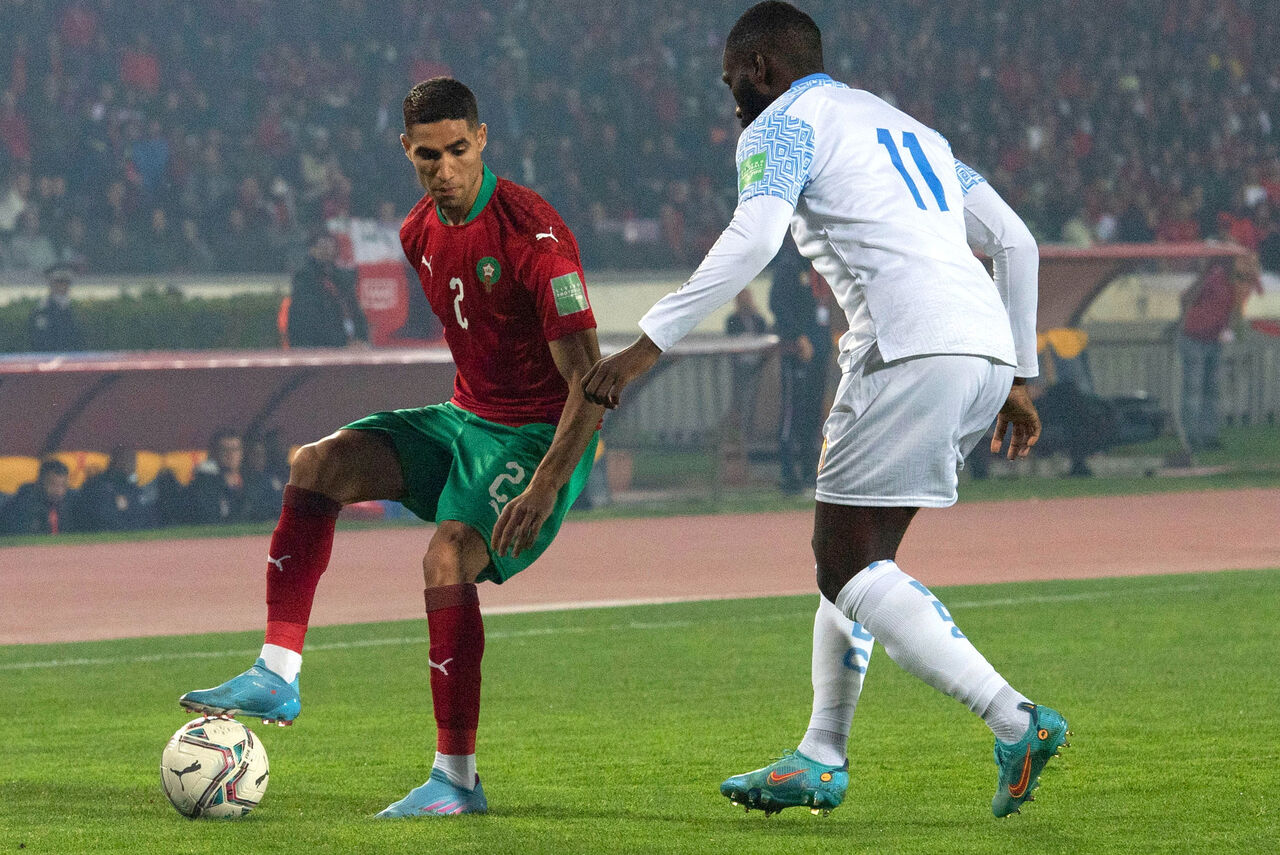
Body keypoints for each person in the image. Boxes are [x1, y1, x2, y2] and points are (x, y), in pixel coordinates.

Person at [583, 2, 1066, 819]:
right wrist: (1019, 374)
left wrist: (647, 343)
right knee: (859, 559)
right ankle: (820, 753)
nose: (734, 100)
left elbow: (753, 238)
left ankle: (1013, 717)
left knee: (844, 565)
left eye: (733, 83)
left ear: (761, 68)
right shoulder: (911, 130)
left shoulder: (783, 124)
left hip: (906, 346)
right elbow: (1015, 239)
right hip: (981, 349)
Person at [180, 78, 604, 819]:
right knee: (316, 464)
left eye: (459, 150)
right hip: (464, 418)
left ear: (482, 140)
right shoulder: (417, 233)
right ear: (406, 150)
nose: (445, 169)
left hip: (539, 432)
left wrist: (544, 484)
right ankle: (277, 671)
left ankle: (456, 779)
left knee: (447, 556)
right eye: (428, 156)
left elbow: (590, 384)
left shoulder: (535, 236)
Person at [770, 233, 831, 493]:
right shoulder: (789, 265)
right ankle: (788, 475)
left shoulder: (817, 264)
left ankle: (809, 471)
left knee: (813, 413)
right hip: (797, 350)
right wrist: (797, 336)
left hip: (819, 347)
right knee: (792, 413)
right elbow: (777, 304)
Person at [1177, 256, 1257, 451]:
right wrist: (1203, 276)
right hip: (1194, 337)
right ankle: (1192, 436)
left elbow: (1234, 312)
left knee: (1210, 390)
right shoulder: (1213, 279)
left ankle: (1208, 436)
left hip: (1213, 339)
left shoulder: (1234, 284)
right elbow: (1185, 298)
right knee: (1194, 389)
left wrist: (1228, 331)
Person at [286, 230, 370, 348]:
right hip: (318, 347)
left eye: (330, 246)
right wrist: (342, 343)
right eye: (322, 246)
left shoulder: (341, 278)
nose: (327, 251)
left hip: (351, 345)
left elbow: (356, 312)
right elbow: (310, 321)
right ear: (312, 250)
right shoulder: (304, 279)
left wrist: (361, 339)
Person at [71, 446, 159, 531]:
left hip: (134, 534)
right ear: (117, 462)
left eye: (133, 461)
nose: (133, 465)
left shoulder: (130, 486)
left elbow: (143, 514)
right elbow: (102, 517)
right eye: (129, 460)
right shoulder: (98, 485)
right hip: (105, 535)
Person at [723, 287, 769, 439]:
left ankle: (752, 431)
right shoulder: (732, 320)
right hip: (740, 365)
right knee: (740, 399)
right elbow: (730, 339)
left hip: (758, 364)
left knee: (755, 399)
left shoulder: (758, 319)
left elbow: (764, 335)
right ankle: (738, 432)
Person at [187, 429, 252, 524]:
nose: (230, 454)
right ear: (215, 454)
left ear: (242, 453)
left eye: (235, 449)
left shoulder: (253, 483)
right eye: (224, 450)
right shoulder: (204, 487)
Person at [0, 458, 76, 535]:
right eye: (53, 484)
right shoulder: (24, 503)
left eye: (63, 485)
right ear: (40, 483)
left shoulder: (72, 501)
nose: (58, 491)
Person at [28, 264, 84, 352]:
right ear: (51, 284)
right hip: (49, 357)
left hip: (72, 357)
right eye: (59, 282)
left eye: (66, 282)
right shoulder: (42, 311)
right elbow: (41, 340)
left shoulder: (74, 309)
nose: (63, 286)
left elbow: (78, 339)